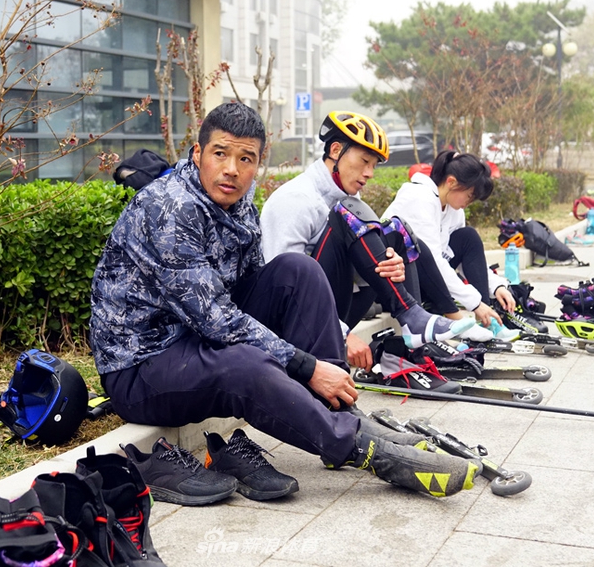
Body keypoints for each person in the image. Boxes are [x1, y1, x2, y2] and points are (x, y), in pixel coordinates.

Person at [89, 102, 480, 499]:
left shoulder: (236, 197)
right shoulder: (172, 208)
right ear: (197, 153)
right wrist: (306, 367)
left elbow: (256, 284)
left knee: (298, 272)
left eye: (246, 159)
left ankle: (341, 412)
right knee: (244, 363)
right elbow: (218, 321)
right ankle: (367, 451)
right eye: (220, 153)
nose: (232, 169)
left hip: (195, 338)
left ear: (257, 163)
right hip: (142, 366)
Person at [260, 111, 482, 372]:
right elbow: (287, 289)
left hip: (333, 307)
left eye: (374, 165)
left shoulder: (348, 199)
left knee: (397, 231)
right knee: (347, 212)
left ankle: (413, 342)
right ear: (335, 150)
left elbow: (349, 268)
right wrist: (341, 334)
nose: (370, 173)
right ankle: (411, 319)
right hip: (294, 325)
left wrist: (390, 266)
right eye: (365, 161)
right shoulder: (295, 200)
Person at [382, 150, 516, 330]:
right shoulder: (419, 198)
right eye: (469, 196)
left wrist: (497, 287)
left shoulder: (454, 209)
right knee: (422, 251)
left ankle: (488, 322)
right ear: (451, 182)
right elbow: (432, 261)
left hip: (430, 281)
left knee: (468, 237)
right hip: (397, 282)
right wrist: (473, 303)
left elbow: (468, 258)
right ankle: (464, 323)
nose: (469, 203)